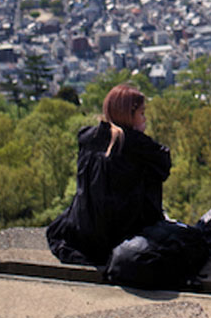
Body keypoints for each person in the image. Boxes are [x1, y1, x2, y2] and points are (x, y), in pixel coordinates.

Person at [47, 83, 172, 265]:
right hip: (124, 236)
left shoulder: (89, 138)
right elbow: (163, 167)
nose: (145, 119)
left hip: (84, 232)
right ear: (129, 115)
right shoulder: (137, 146)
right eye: (141, 114)